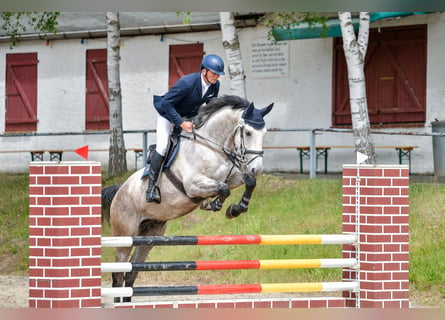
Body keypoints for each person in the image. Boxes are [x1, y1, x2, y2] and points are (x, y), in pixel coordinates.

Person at [146, 54, 225, 203]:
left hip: (188, 116)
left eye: (218, 74)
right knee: (163, 147)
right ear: (204, 71)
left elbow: (210, 106)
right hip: (168, 115)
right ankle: (151, 188)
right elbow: (166, 104)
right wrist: (181, 122)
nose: (217, 77)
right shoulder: (187, 83)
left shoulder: (215, 85)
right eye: (214, 73)